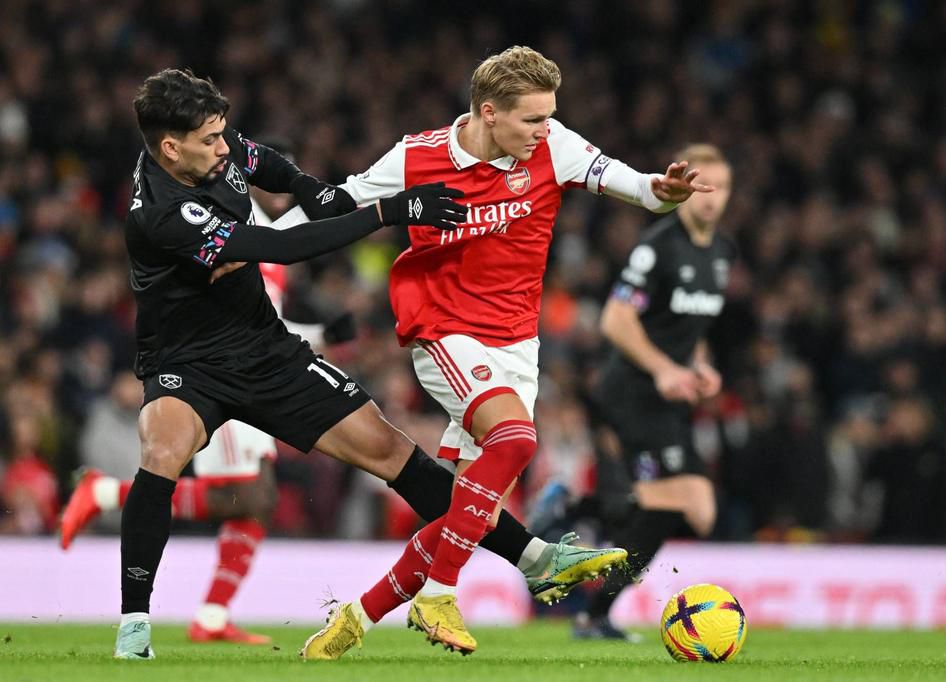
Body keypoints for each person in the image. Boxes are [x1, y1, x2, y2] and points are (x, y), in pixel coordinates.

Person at [110, 68, 616, 661]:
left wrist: (306, 186)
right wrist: (388, 211)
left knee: (392, 451)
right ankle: (134, 625)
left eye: (223, 133)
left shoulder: (211, 148)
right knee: (162, 452)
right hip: (187, 362)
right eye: (210, 140)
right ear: (171, 149)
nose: (225, 147)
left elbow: (260, 160)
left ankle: (533, 558)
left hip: (267, 350)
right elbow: (281, 247)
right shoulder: (161, 215)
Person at [297, 46, 712, 658]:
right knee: (515, 440)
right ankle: (441, 595)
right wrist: (247, 243)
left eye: (550, 117)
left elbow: (641, 190)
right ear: (489, 112)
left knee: (472, 513)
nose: (545, 130)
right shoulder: (418, 157)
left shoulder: (554, 146)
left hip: (517, 344)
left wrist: (664, 190)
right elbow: (339, 201)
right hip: (444, 330)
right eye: (533, 119)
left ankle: (356, 619)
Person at [60, 138, 358, 645]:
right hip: (226, 371)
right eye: (280, 175)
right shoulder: (236, 223)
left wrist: (322, 335)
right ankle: (106, 493)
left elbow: (266, 322)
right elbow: (231, 317)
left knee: (258, 498)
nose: (286, 187)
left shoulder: (264, 228)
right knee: (248, 494)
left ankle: (214, 616)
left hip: (253, 362)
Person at [572, 143, 734, 640]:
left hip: (667, 397)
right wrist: (664, 369)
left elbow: (691, 328)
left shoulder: (721, 252)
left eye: (723, 187)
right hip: (631, 390)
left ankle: (592, 593)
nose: (712, 197)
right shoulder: (657, 246)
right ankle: (579, 516)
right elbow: (615, 319)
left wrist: (701, 366)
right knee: (687, 503)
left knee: (684, 510)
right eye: (703, 187)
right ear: (685, 188)